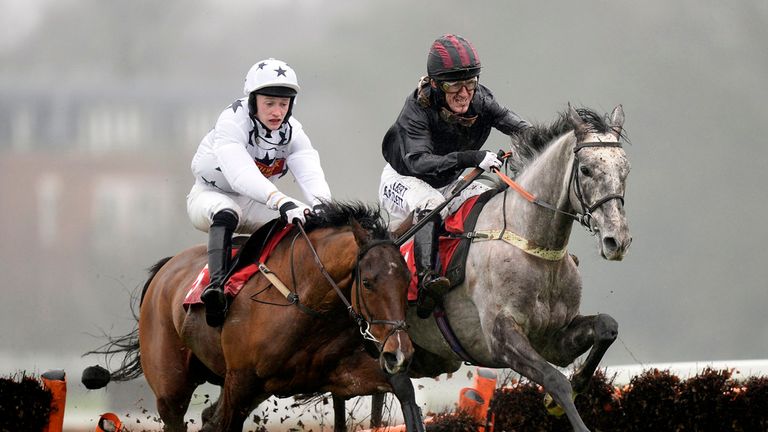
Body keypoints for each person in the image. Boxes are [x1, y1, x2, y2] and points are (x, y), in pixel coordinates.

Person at [379, 34, 532, 318]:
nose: (464, 93)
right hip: (405, 178)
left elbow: (522, 128)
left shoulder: (481, 98)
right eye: (453, 84)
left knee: (492, 199)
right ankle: (426, 281)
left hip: (451, 178)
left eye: (470, 82)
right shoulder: (416, 110)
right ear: (435, 85)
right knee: (429, 202)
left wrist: (558, 140)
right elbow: (420, 162)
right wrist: (472, 158)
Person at [188, 58, 332, 327]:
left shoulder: (292, 131)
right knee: (227, 212)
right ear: (253, 101)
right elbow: (241, 174)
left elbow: (309, 170)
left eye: (283, 104)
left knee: (305, 223)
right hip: (210, 196)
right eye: (269, 103)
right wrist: (281, 201)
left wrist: (323, 205)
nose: (277, 111)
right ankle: (216, 290)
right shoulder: (231, 121)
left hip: (254, 202)